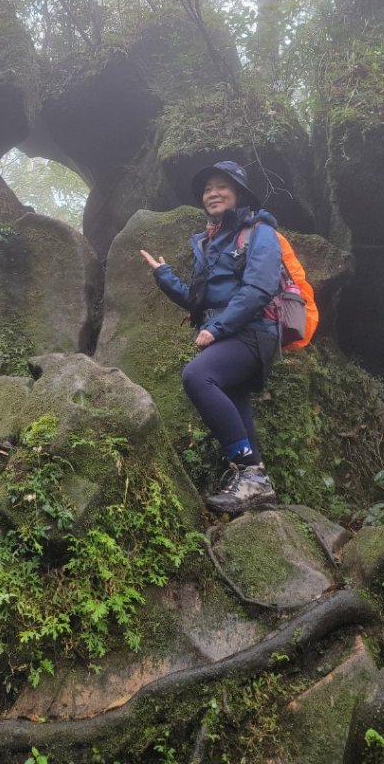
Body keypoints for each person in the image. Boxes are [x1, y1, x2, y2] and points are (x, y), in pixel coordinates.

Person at [139, 160, 282, 513]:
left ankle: (249, 473)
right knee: (234, 401)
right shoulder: (209, 241)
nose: (212, 193)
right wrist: (165, 276)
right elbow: (198, 299)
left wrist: (215, 329)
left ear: (239, 194)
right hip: (228, 336)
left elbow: (259, 288)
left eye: (221, 186)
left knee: (198, 375)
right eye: (207, 189)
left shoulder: (260, 231)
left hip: (254, 332)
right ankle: (257, 487)